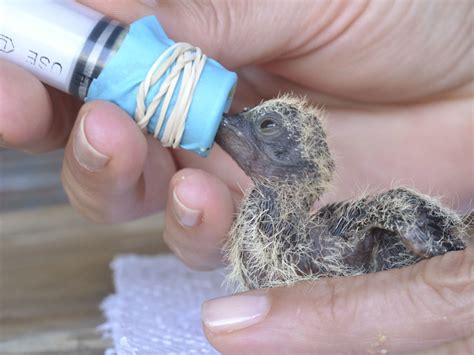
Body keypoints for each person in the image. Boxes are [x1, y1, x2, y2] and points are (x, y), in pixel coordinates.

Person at [1, 1, 472, 353]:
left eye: (264, 127)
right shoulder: (298, 222)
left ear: (296, 158)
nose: (233, 124)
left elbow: (406, 214)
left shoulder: (345, 231)